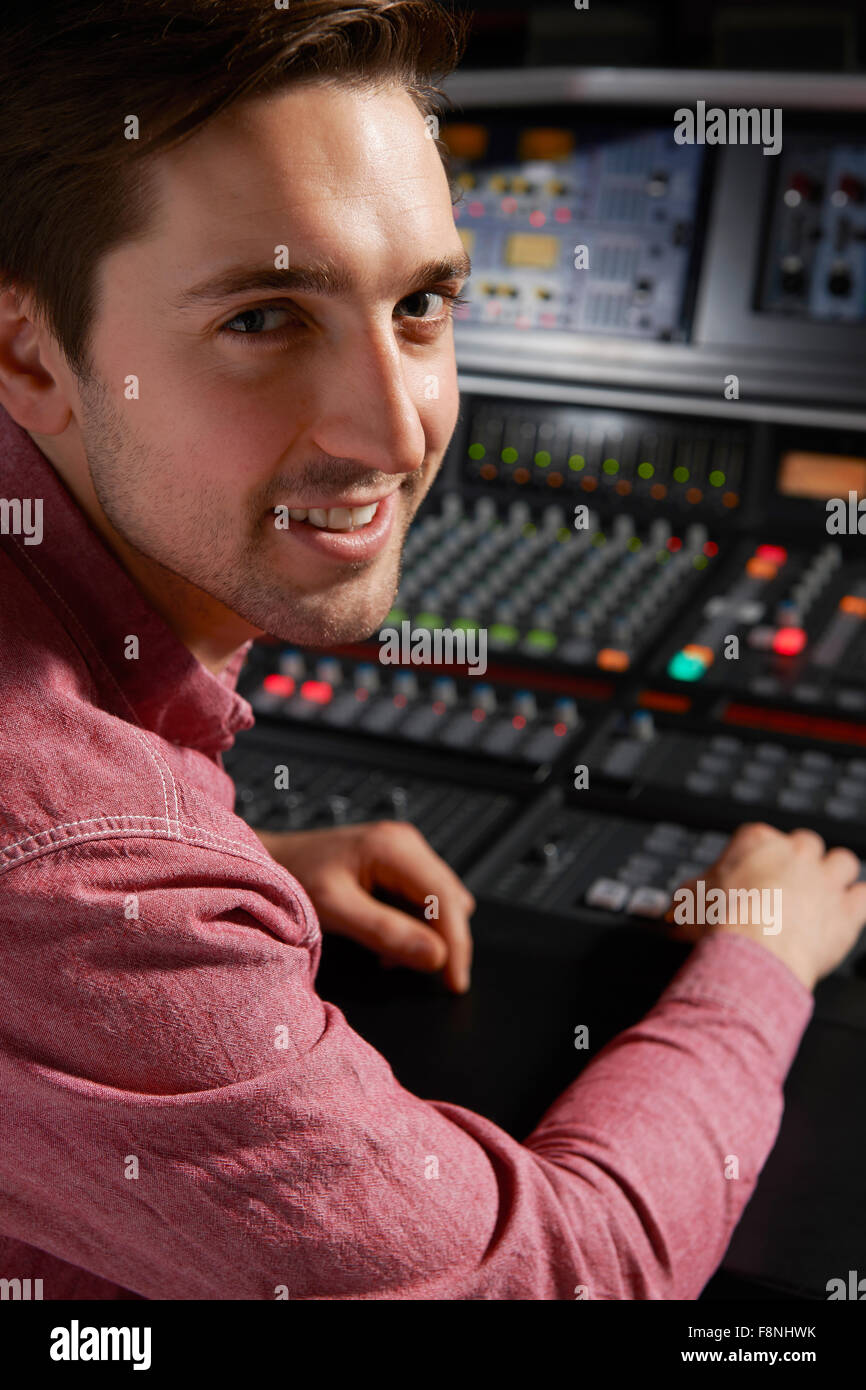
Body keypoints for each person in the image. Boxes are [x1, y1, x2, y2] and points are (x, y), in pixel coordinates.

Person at [0, 0, 863, 1302]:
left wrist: (242, 866)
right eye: (264, 318)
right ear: (30, 350)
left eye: (420, 303)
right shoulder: (77, 882)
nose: (395, 432)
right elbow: (558, 1281)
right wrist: (758, 961)